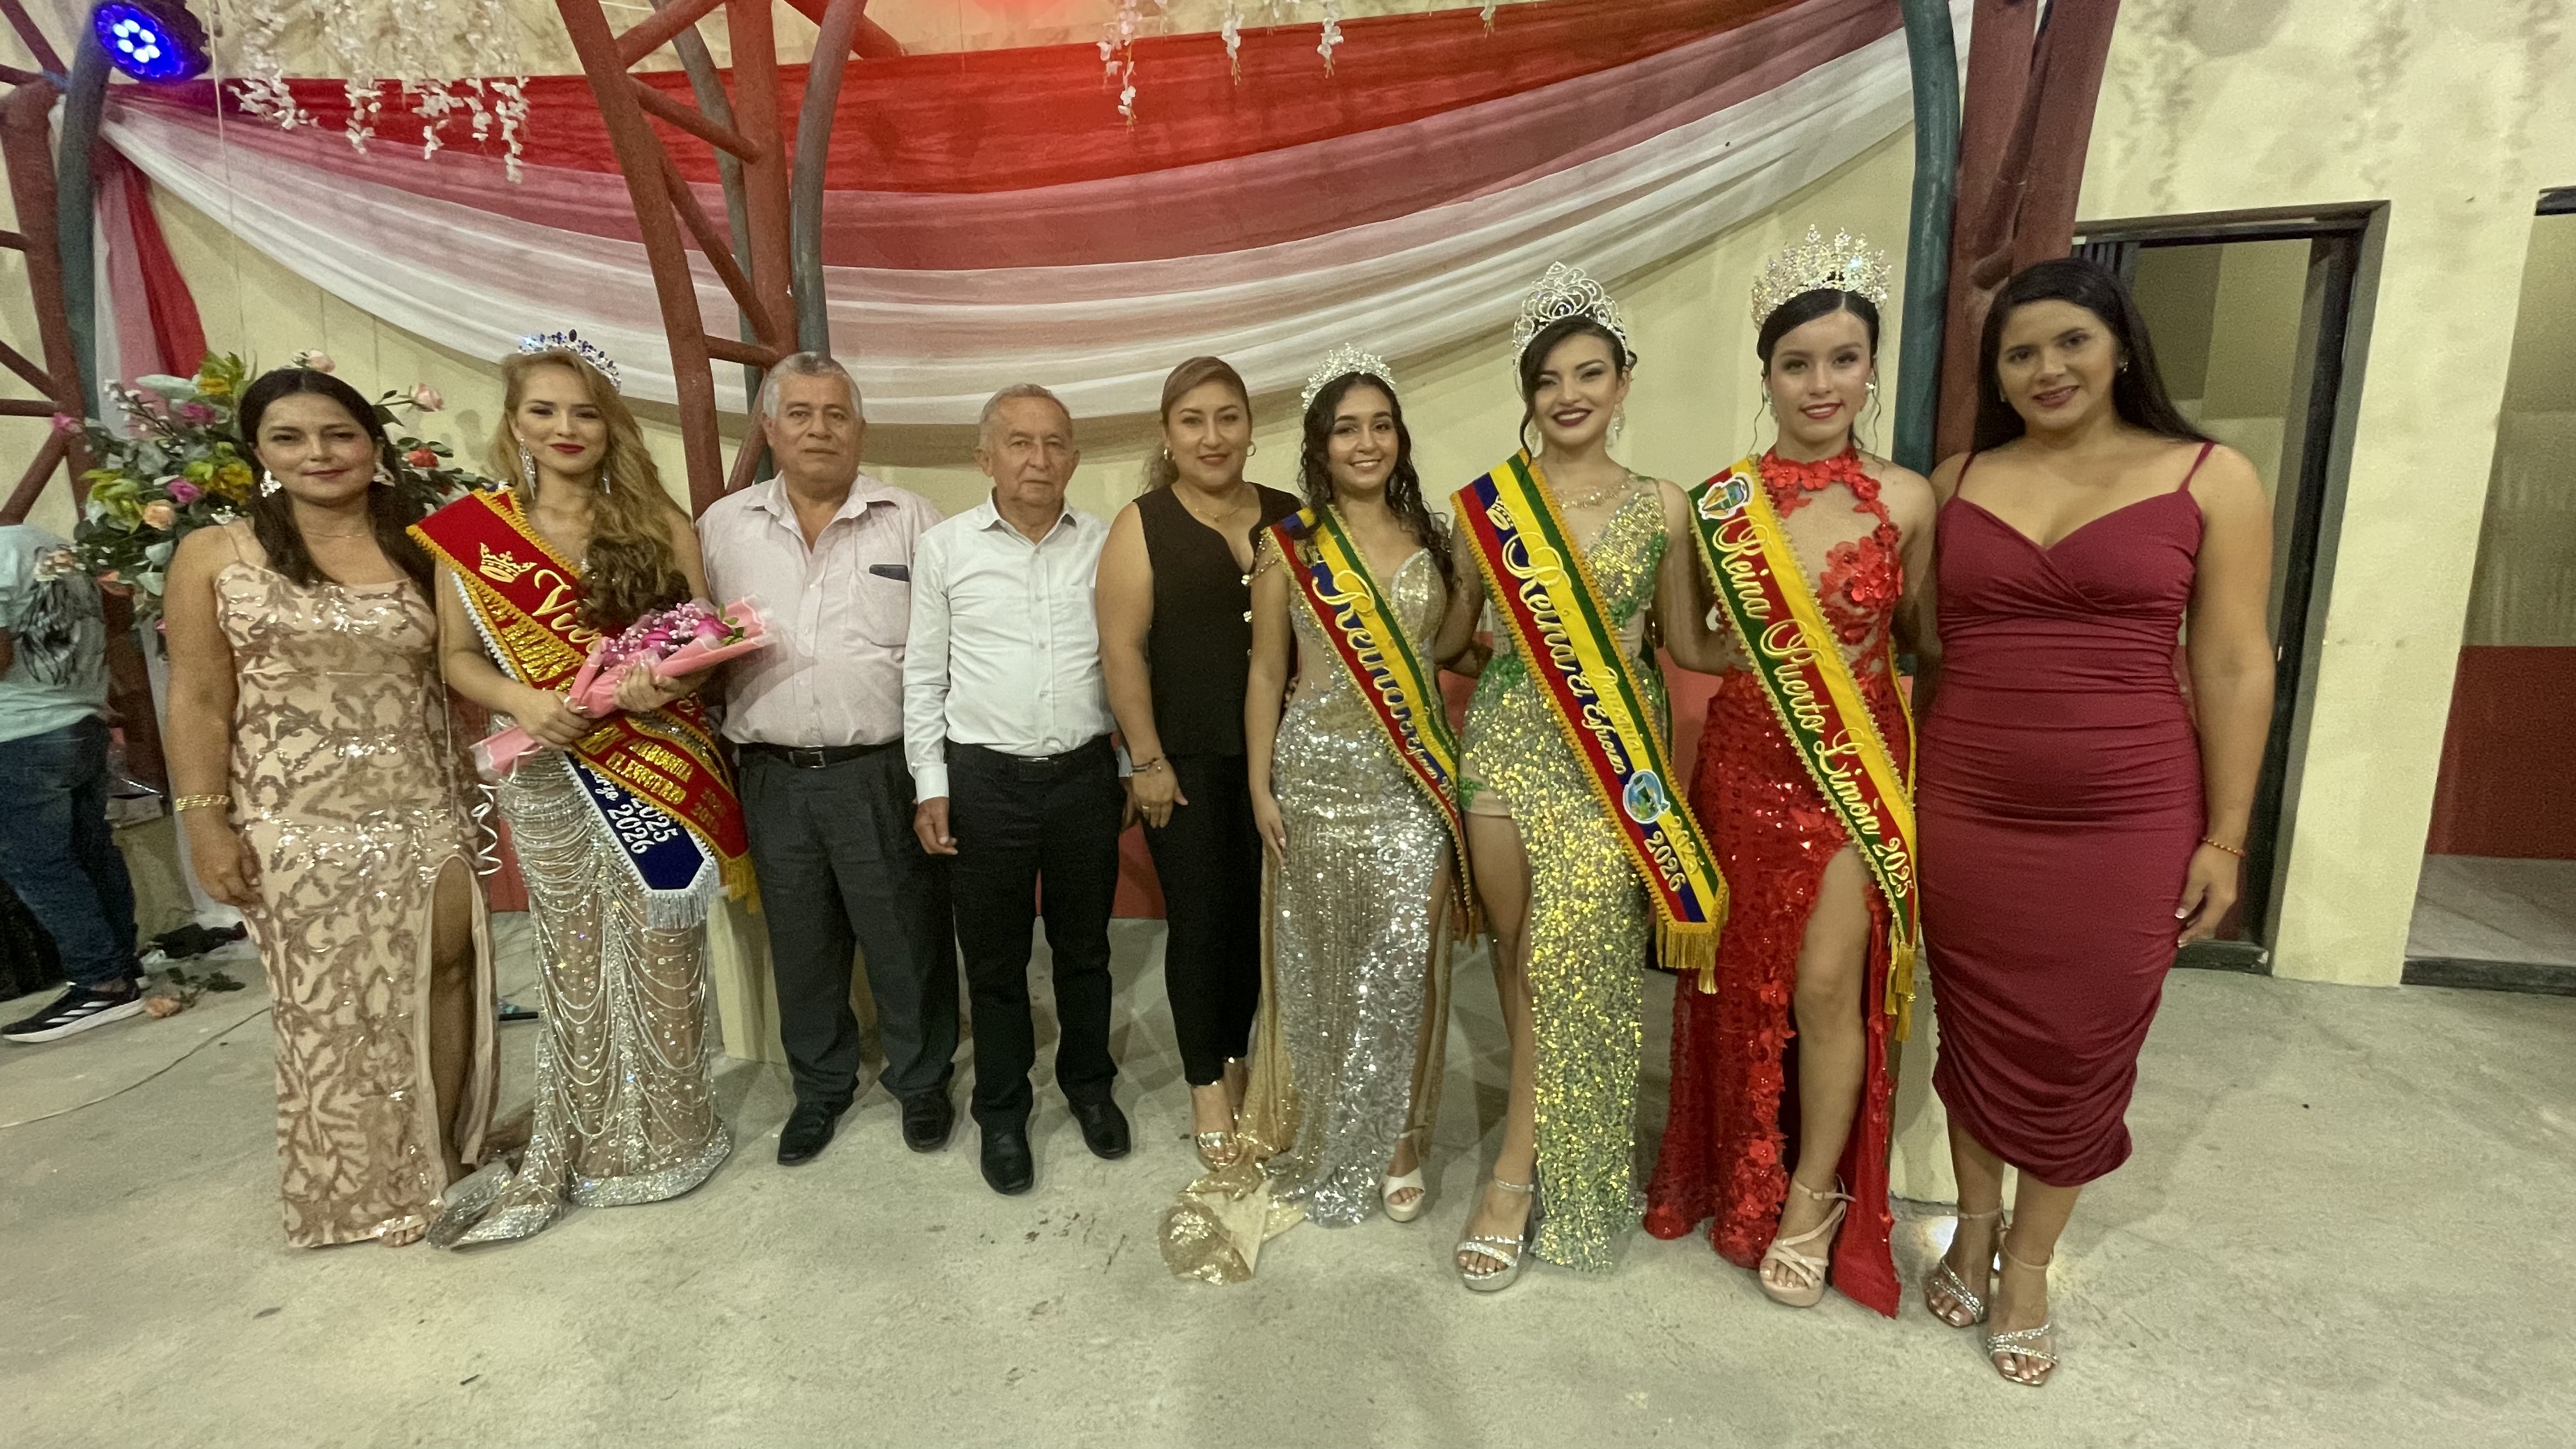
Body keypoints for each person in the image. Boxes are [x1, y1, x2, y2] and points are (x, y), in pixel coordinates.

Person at [1915, 257, 2273, 1384]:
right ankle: (1973, 1226)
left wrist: (2225, 834)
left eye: (2071, 341)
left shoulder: (2210, 476)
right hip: (1966, 803)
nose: (2047, 368)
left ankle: (2029, 1265)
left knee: (2084, 1045)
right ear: (1996, 374)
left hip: (2129, 813)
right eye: (2020, 352)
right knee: (1974, 1027)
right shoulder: (1958, 479)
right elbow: (1922, 645)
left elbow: (2233, 660)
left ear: (2120, 348)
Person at [1645, 229, 1936, 1315]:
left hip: (1848, 775)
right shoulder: (1718, 503)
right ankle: (1736, 1172)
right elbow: (1692, 642)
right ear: (1765, 374)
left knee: (1823, 988)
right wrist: (1760, 670)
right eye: (1796, 363)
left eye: (1843, 359)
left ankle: (1812, 1196)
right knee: (1737, 985)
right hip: (1741, 767)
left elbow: (1918, 639)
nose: (1821, 384)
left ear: (1870, 367)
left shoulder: (1909, 501)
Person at [1432, 265, 1731, 1289]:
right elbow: (1454, 636)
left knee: (1572, 959)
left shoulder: (1664, 505)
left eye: (1590, 373)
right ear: (1529, 393)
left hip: (1611, 761)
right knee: (1519, 956)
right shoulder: (1486, 508)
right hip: (1506, 746)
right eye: (1549, 379)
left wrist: (1795, 636)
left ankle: (1516, 1173)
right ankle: (1553, 1137)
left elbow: (1688, 640)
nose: (1569, 395)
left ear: (1623, 382)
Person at [157, 366, 498, 1245]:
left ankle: (439, 1157)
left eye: (338, 433)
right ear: (259, 452)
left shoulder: (427, 545)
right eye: (290, 437)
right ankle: (363, 1181)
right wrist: (205, 821)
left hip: (424, 798)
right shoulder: (216, 554)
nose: (319, 453)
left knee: (445, 973)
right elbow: (198, 698)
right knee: (332, 1002)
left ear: (373, 444)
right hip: (294, 816)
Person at [417, 334, 740, 1245]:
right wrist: (521, 698)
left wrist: (664, 684)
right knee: (574, 956)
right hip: (549, 769)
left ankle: (675, 1136)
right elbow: (454, 657)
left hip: (652, 758)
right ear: (515, 423)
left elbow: (705, 641)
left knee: (664, 948)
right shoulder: (476, 534)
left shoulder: (659, 522)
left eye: (585, 412)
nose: (566, 427)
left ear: (611, 426)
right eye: (545, 410)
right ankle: (592, 1137)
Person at [1160, 348, 1465, 1282]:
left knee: (1404, 963)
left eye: (1381, 425)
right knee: (1321, 968)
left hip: (1410, 780)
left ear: (1399, 437)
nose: (1365, 443)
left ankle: (1401, 1136)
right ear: (1320, 447)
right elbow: (1266, 674)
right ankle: (1326, 1119)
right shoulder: (1289, 546)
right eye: (1346, 429)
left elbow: (1449, 647)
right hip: (1315, 781)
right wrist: (1261, 787)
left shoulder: (1436, 535)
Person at [698, 352, 960, 1167]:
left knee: (906, 938)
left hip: (882, 770)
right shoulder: (722, 528)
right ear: (770, 428)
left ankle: (922, 1082)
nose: (819, 429)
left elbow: (947, 650)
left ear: (860, 430)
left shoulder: (911, 520)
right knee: (801, 943)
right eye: (801, 413)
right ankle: (821, 1088)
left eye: (836, 414)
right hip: (772, 775)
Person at [905, 384, 1132, 1196]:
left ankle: (1089, 1086)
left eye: (1055, 442)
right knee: (996, 961)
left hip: (1083, 777)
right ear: (986, 457)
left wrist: (1132, 764)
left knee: (1085, 949)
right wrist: (931, 784)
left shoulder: (1106, 545)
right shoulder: (945, 549)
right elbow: (923, 674)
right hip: (984, 782)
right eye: (1019, 442)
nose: (1039, 459)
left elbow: (1128, 663)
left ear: (1074, 456)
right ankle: (1002, 1111)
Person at [1096, 357, 1301, 1168]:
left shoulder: (1292, 518)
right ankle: (1205, 1080)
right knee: (1201, 922)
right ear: (1167, 434)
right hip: (1182, 761)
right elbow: (1122, 651)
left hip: (1283, 762)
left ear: (1250, 428)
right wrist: (1146, 762)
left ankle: (1241, 1053)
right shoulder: (1141, 524)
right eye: (1193, 420)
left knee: (1258, 922)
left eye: (1227, 417)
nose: (1212, 437)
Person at [0, 524, 144, 1043]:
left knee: (38, 865)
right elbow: (112, 617)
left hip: (18, 730)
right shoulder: (40, 541)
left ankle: (100, 982)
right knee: (89, 850)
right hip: (78, 717)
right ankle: (121, 967)